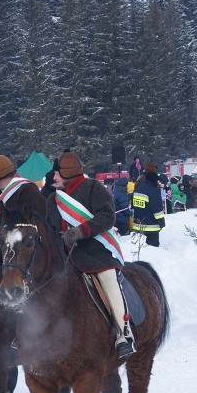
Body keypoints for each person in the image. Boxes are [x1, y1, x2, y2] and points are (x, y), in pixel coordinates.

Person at [46, 151, 135, 358]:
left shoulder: (94, 188)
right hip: (65, 256)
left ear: (66, 173)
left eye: (57, 173)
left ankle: (124, 333)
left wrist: (80, 232)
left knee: (109, 280)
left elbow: (107, 217)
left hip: (96, 252)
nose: (54, 178)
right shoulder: (53, 200)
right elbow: (51, 227)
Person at [132, 169, 166, 247]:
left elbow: (134, 206)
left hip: (138, 226)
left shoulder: (138, 190)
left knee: (141, 250)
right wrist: (161, 223)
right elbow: (157, 210)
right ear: (155, 180)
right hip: (151, 228)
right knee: (152, 252)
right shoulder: (153, 191)